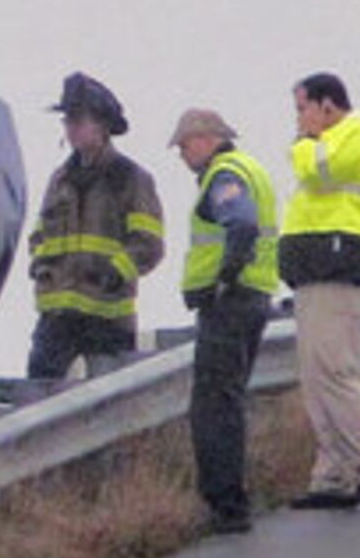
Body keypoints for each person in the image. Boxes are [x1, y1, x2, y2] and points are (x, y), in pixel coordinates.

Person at [280, 72, 360, 509]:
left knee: (335, 369)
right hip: (322, 268)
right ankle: (334, 473)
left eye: (302, 109)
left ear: (327, 105)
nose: (299, 120)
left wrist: (301, 143)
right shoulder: (341, 137)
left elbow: (317, 171)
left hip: (344, 266)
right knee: (316, 375)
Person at [170, 108, 279, 534]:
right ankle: (231, 500)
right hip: (254, 298)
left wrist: (222, 280)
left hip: (230, 303)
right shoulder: (251, 168)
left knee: (213, 406)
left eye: (184, 145)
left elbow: (243, 225)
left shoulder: (225, 175)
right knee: (228, 399)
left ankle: (225, 505)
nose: (181, 154)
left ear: (206, 138)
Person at [26, 72, 164, 379]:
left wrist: (115, 273)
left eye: (77, 119)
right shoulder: (59, 179)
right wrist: (40, 265)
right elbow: (39, 235)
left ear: (101, 125)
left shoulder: (130, 179)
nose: (70, 128)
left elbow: (149, 244)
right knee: (38, 390)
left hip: (107, 316)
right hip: (57, 315)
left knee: (110, 401)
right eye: (66, 121)